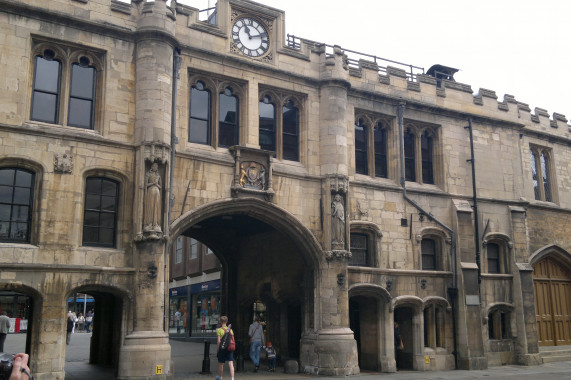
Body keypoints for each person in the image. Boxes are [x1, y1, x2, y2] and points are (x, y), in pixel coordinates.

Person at [215, 316, 234, 380]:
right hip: (229, 347)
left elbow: (218, 341)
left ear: (220, 322)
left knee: (221, 363)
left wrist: (218, 349)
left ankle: (220, 377)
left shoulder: (219, 330)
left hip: (222, 348)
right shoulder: (231, 330)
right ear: (227, 321)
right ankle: (232, 378)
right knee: (231, 363)